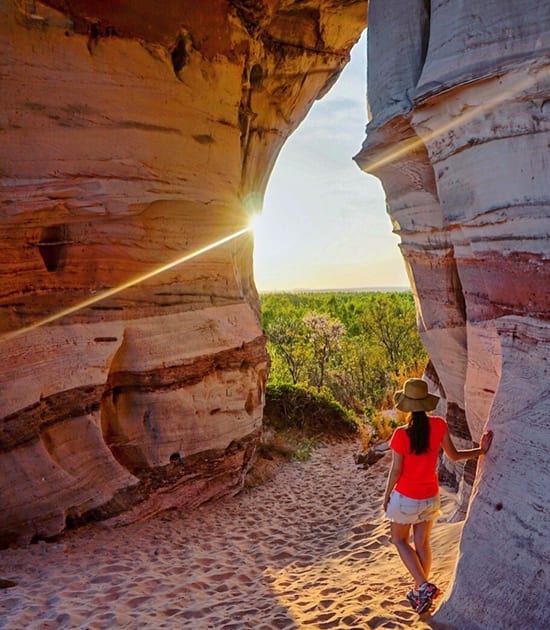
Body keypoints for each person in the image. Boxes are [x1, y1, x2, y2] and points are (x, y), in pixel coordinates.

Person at [383, 377, 493, 614]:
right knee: (422, 542)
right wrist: (481, 450)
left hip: (406, 497)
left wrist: (386, 495)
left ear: (407, 406)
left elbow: (396, 470)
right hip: (430, 496)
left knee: (400, 541)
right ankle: (421, 593)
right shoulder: (439, 425)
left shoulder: (401, 435)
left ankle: (422, 585)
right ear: (426, 403)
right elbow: (454, 456)